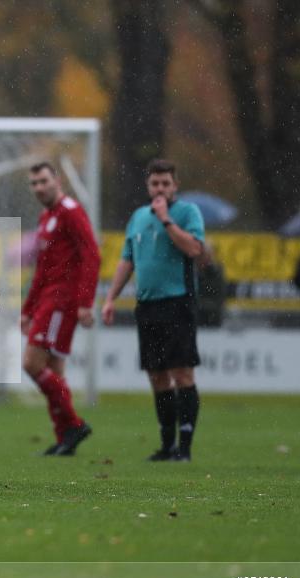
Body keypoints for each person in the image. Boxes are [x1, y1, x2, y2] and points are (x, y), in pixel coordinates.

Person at [102, 159, 205, 462]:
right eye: (155, 184)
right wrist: (110, 298)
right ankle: (166, 445)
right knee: (157, 375)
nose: (160, 189)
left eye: (165, 184)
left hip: (178, 302)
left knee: (182, 373)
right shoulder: (137, 217)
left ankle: (184, 447)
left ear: (175, 186)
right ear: (148, 186)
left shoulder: (187, 213)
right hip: (147, 306)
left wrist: (166, 220)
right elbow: (127, 260)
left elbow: (195, 250)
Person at [21, 162, 100, 456]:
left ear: (58, 180)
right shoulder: (47, 216)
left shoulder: (70, 211)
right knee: (54, 370)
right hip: (46, 300)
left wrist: (85, 302)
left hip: (61, 302)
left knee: (31, 364)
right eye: (34, 183)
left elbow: (92, 255)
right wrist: (27, 309)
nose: (39, 187)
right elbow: (41, 268)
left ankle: (74, 424)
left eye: (43, 181)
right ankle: (66, 435)